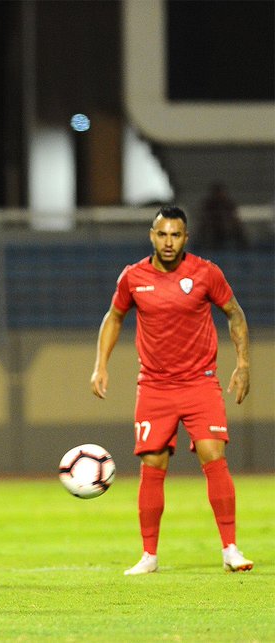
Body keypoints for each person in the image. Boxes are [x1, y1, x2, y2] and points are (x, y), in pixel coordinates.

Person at [90, 206, 253, 576]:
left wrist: (243, 364)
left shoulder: (205, 273)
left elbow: (235, 313)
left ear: (185, 238)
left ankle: (230, 549)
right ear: (151, 235)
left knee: (214, 457)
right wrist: (101, 364)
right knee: (152, 465)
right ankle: (149, 555)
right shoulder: (133, 277)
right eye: (162, 234)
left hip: (200, 382)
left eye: (175, 235)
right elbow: (114, 317)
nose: (168, 242)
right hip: (155, 386)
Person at [196, 183, 249, 251]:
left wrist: (231, 224)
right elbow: (204, 217)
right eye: (218, 193)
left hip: (226, 227)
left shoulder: (228, 203)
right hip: (213, 227)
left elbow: (233, 216)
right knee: (204, 230)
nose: (220, 194)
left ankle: (243, 249)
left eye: (221, 192)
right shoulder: (209, 204)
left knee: (238, 229)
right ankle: (203, 249)